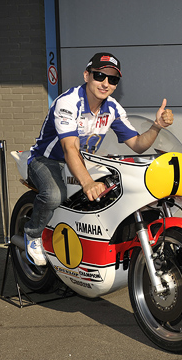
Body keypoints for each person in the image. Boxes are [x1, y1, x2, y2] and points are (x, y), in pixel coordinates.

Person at [23, 52, 174, 266]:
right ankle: (33, 234)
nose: (105, 83)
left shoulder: (112, 108)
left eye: (112, 79)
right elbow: (70, 148)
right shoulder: (68, 102)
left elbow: (138, 145)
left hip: (83, 160)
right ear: (87, 75)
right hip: (47, 160)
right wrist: (87, 182)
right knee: (55, 195)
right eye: (99, 76)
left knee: (115, 189)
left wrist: (156, 126)